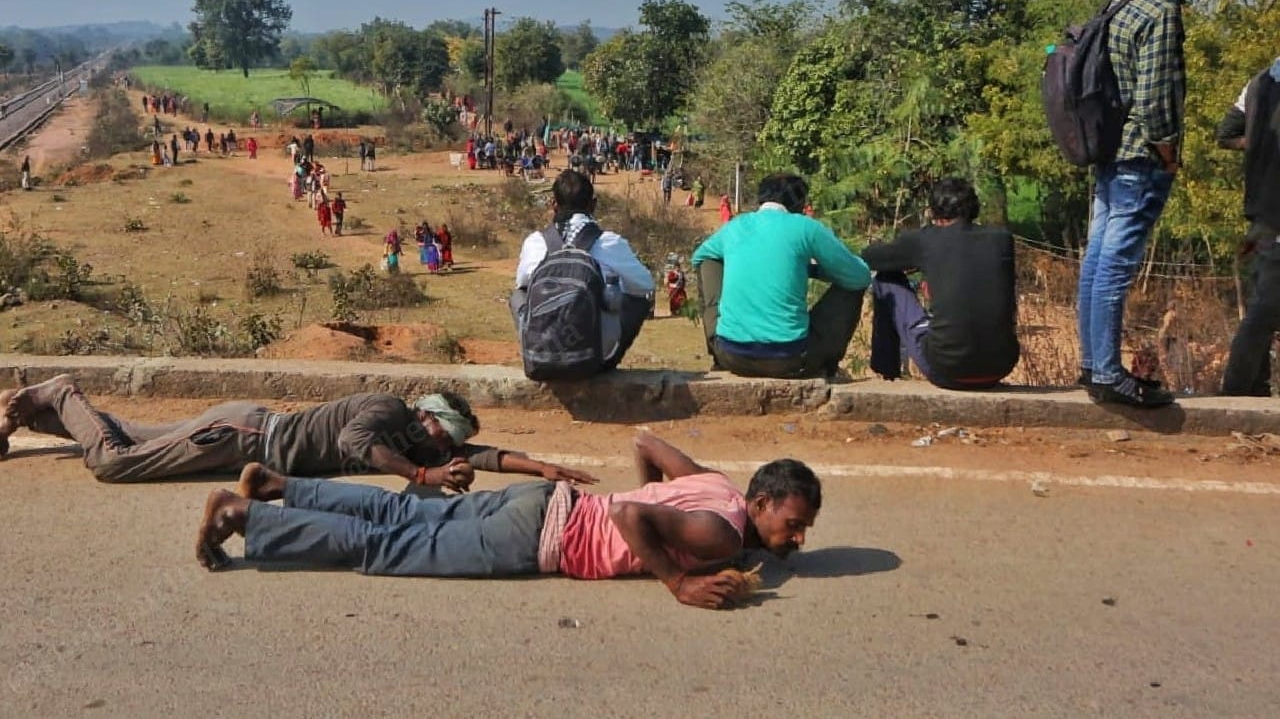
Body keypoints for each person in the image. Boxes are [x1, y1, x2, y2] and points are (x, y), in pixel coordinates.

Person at [195, 431, 819, 612]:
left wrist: (647, 509)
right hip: (537, 537)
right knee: (386, 547)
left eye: (803, 530)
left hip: (544, 504)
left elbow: (647, 441)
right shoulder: (724, 535)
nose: (797, 538)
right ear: (760, 504)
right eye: (793, 523)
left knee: (405, 510)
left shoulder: (719, 487)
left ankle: (281, 485)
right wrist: (675, 581)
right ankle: (243, 515)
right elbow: (631, 513)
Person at [0, 375, 595, 486]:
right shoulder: (389, 411)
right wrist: (423, 474)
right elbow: (353, 446)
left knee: (127, 434)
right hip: (241, 437)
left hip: (243, 427)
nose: (448, 450)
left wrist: (541, 466)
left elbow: (483, 455)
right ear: (429, 419)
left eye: (447, 445)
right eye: (445, 439)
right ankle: (58, 392)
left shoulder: (420, 434)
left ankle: (29, 414)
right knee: (113, 463)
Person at [1077, 0, 1209, 408]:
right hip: (1140, 156)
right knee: (1115, 265)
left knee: (1097, 258)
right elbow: (1155, 100)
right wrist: (1169, 154)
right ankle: (1110, 376)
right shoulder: (1161, 9)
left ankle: (1094, 366)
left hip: (1109, 151)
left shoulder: (1121, 1)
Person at [692, 173, 870, 379]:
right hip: (792, 359)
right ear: (799, 204)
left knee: (709, 262)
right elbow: (860, 276)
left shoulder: (735, 226)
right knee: (852, 288)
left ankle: (715, 349)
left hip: (731, 357)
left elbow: (701, 257)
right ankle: (828, 367)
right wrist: (816, 270)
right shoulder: (806, 228)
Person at [861, 178, 1020, 390]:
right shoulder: (1002, 239)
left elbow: (871, 258)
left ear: (935, 214)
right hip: (1000, 366)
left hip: (946, 370)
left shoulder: (926, 239)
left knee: (885, 279)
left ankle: (886, 371)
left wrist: (910, 262)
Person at [511, 170, 655, 375]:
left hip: (541, 357)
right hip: (594, 359)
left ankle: (536, 349)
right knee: (639, 300)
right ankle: (608, 360)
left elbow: (522, 283)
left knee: (518, 294)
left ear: (554, 204)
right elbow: (646, 285)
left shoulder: (535, 241)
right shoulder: (610, 242)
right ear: (593, 204)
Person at [1214, 58, 1280, 396]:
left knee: (1263, 300)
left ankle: (1255, 388)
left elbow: (1225, 135)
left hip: (1259, 208)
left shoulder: (1256, 83)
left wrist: (1254, 143)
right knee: (1267, 305)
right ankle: (1238, 389)